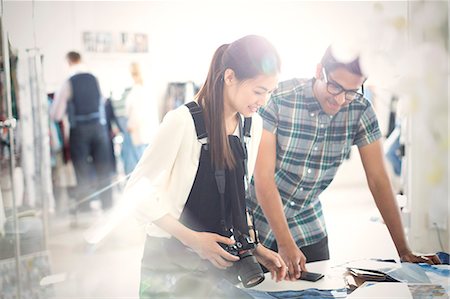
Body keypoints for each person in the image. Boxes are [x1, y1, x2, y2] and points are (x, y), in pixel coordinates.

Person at [247, 45, 441, 281]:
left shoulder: (360, 110)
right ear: (320, 71)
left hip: (308, 225)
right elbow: (264, 178)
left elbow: (378, 180)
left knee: (321, 292)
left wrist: (404, 250)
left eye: (350, 91)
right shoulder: (279, 98)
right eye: (335, 86)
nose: (340, 99)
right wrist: (285, 242)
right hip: (258, 220)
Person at [124, 35, 287, 298]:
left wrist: (254, 249)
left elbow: (233, 200)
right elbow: (135, 194)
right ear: (230, 76)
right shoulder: (181, 122)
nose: (264, 101)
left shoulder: (251, 125)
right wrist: (193, 240)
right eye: (259, 91)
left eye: (270, 92)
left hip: (218, 266)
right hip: (170, 266)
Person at [50, 51, 114, 212]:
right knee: (103, 167)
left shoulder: (68, 82)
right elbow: (104, 100)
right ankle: (107, 205)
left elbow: (56, 114)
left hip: (79, 129)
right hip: (99, 128)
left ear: (69, 62)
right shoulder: (95, 77)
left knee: (82, 170)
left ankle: (85, 207)